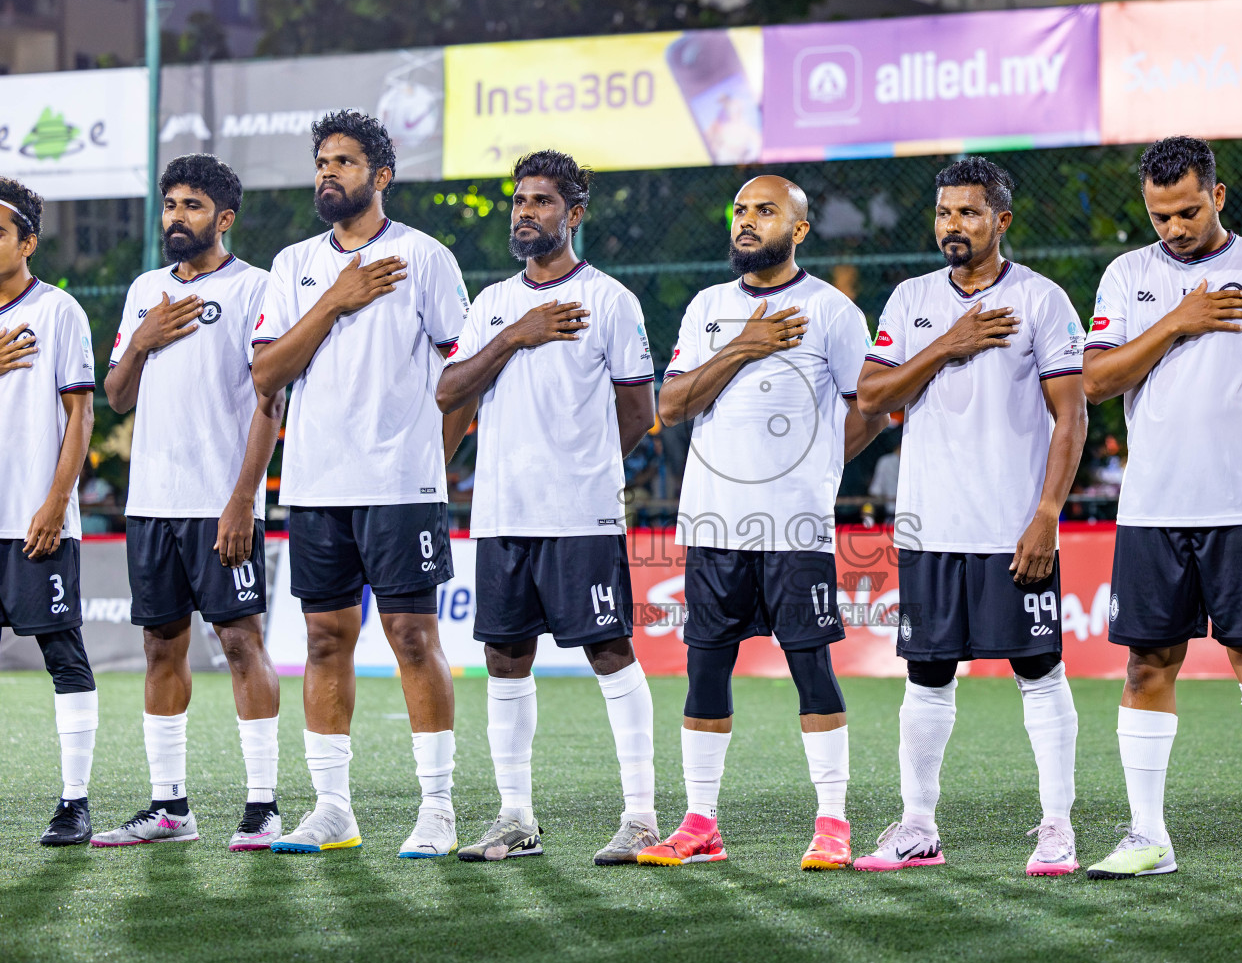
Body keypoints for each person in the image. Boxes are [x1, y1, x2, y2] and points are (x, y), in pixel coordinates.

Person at [1081, 136, 1242, 884]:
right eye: (1160, 216)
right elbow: (1095, 380)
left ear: (1218, 195)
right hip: (1151, 511)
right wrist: (1178, 321)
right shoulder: (1128, 276)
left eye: (1187, 211)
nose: (1174, 228)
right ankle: (1148, 836)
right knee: (1147, 663)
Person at [640, 175, 887, 869]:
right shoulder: (709, 307)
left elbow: (869, 408)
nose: (747, 222)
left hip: (795, 529)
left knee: (813, 669)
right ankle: (700, 824)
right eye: (741, 211)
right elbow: (676, 402)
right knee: (705, 674)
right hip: (714, 526)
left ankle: (833, 822)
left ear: (799, 229)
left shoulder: (832, 311)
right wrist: (745, 345)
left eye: (765, 211)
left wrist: (815, 471)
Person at [852, 157, 1087, 874]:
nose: (954, 225)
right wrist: (948, 342)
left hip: (1012, 526)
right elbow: (872, 395)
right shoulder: (911, 300)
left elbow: (1071, 414)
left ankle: (1056, 826)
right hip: (929, 526)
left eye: (970, 213)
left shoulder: (1042, 301)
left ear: (1001, 221)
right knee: (927, 676)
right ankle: (918, 825)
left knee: (1039, 670)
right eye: (945, 212)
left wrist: (1047, 514)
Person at [251, 111, 474, 857]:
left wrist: (430, 466)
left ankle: (437, 809)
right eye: (322, 160)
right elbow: (267, 373)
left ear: (381, 175)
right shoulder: (293, 266)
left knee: (413, 637)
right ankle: (332, 810)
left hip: (402, 486)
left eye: (344, 161)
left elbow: (461, 381)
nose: (328, 173)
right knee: (322, 641)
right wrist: (335, 299)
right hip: (316, 485)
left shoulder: (426, 257)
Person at [436, 150, 660, 865]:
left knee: (608, 649)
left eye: (540, 201)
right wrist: (515, 335)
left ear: (575, 212)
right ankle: (515, 819)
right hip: (502, 514)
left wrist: (586, 467)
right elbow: (449, 391)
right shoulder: (495, 302)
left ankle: (642, 817)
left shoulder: (611, 301)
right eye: (519, 201)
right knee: (505, 656)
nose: (525, 213)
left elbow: (638, 411)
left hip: (578, 515)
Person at [93, 154, 285, 851]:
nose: (177, 217)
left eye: (193, 206)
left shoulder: (257, 288)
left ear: (223, 218)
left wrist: (243, 501)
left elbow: (269, 402)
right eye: (171, 204)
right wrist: (139, 342)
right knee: (159, 646)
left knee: (240, 643)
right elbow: (117, 396)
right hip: (151, 503)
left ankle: (262, 805)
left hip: (220, 502)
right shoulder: (145, 289)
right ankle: (169, 810)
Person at [0, 177, 99, 845]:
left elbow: (80, 415)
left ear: (27, 242)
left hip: (36, 520)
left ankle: (74, 802)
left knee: (62, 653)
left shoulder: (59, 312)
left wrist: (56, 504)